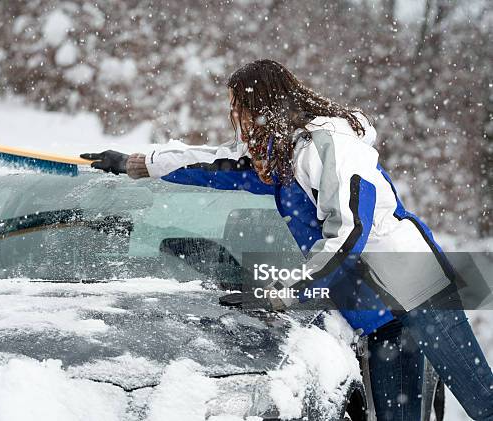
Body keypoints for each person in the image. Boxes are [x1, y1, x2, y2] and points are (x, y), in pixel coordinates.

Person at [82, 59, 493, 420]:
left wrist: (286, 292)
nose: (235, 117)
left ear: (263, 106)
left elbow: (347, 234)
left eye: (240, 107)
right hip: (374, 316)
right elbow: (210, 162)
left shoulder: (331, 147)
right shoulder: (280, 159)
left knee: (482, 401)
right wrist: (137, 164)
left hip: (417, 295)